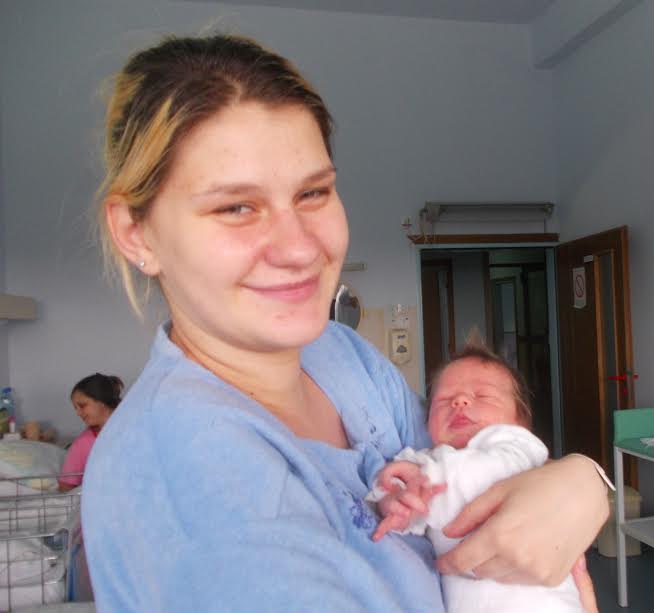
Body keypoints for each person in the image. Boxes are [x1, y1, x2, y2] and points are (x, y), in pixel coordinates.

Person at [82, 33, 609, 612]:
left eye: (313, 192)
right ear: (136, 233)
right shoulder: (191, 477)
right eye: (236, 207)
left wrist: (583, 481)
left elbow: (471, 467)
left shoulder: (340, 354)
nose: (299, 248)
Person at [369, 343, 587, 612]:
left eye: (483, 395)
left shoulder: (520, 447)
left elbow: (482, 477)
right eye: (444, 400)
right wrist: (395, 501)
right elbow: (390, 494)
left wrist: (424, 480)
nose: (460, 401)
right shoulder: (424, 459)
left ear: (520, 422)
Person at [58, 373, 123, 491]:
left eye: (82, 406)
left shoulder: (135, 431)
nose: (78, 413)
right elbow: (65, 487)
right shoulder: (82, 444)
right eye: (75, 408)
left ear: (102, 401)